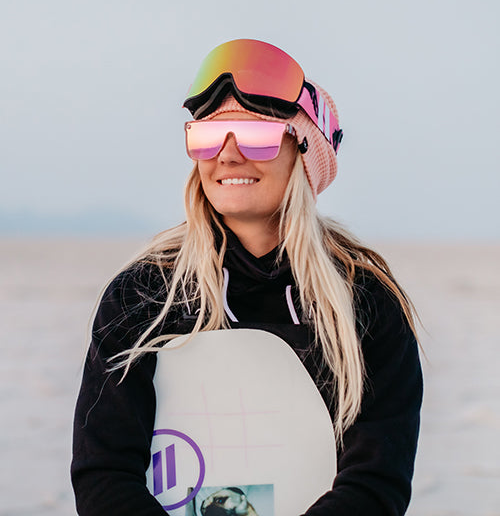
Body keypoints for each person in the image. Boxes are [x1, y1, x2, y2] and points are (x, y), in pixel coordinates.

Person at [71, 39, 423, 515]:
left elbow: (376, 483)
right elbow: (104, 473)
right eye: (208, 136)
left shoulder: (363, 300)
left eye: (256, 135)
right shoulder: (144, 294)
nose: (229, 155)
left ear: (304, 153)